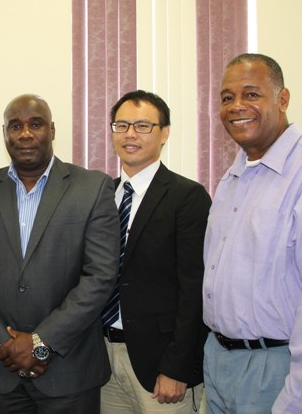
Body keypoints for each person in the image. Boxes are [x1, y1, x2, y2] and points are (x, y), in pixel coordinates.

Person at [0, 93, 120, 413]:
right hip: (3, 372)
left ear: (52, 130)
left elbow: (100, 276)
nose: (25, 133)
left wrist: (41, 343)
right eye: (15, 126)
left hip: (70, 372)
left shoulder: (92, 188)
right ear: (5, 134)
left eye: (36, 124)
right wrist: (4, 343)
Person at [203, 53, 302, 413]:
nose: (237, 106)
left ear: (282, 100)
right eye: (226, 97)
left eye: (251, 94)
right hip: (219, 362)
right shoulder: (233, 177)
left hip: (280, 371)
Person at [101, 90, 211, 414]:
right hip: (104, 359)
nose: (130, 134)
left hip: (162, 367)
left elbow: (196, 289)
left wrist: (177, 367)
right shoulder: (102, 196)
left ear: (164, 133)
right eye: (121, 125)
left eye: (142, 126)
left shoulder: (187, 197)